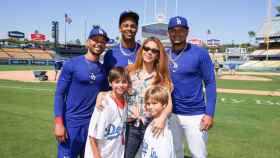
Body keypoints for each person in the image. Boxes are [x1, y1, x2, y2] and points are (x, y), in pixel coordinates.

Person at [96, 37, 173, 158]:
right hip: (131, 126)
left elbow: (168, 103)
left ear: (158, 55)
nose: (149, 52)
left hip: (153, 125)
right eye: (146, 48)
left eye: (154, 51)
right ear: (141, 50)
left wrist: (162, 118)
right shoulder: (130, 71)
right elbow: (117, 89)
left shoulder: (162, 78)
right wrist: (102, 94)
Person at [53, 26, 109, 158]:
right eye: (95, 40)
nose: (99, 43)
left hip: (92, 126)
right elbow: (59, 94)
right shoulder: (72, 64)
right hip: (72, 125)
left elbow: (107, 93)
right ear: (88, 42)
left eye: (102, 41)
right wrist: (59, 123)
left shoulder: (102, 70)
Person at [167, 16, 217, 158]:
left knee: (198, 153)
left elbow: (210, 83)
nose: (177, 33)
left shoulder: (200, 53)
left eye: (181, 30)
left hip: (195, 114)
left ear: (187, 32)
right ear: (168, 33)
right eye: (173, 30)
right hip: (171, 114)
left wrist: (209, 113)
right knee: (174, 152)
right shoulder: (164, 54)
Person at [84, 67, 130, 158]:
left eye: (124, 82)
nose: (121, 85)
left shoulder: (126, 101)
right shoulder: (104, 103)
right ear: (110, 83)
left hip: (115, 153)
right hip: (100, 154)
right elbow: (92, 136)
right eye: (117, 82)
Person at [142, 85, 176, 158]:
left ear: (164, 105)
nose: (150, 107)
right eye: (148, 104)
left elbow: (164, 153)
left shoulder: (161, 128)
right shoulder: (153, 122)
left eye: (154, 103)